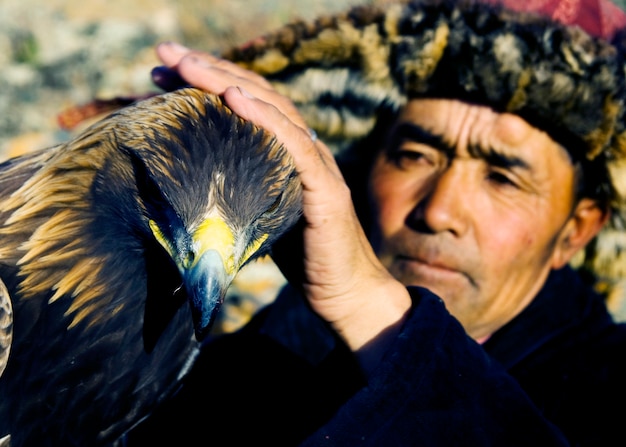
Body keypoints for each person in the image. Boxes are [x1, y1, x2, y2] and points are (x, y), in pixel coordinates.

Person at [125, 0, 626, 445]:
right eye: (414, 156)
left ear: (576, 229)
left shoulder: (607, 390)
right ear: (365, 169)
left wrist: (367, 304)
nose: (438, 212)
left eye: (502, 179)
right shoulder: (255, 363)